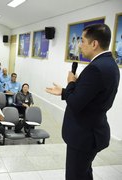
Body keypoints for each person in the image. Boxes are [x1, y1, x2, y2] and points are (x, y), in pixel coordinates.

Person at [46, 24, 120, 180]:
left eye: (83, 41)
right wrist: (66, 91)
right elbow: (91, 97)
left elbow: (75, 103)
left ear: (94, 44)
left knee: (75, 176)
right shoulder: (111, 64)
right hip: (94, 130)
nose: (80, 45)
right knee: (84, 173)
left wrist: (71, 83)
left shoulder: (95, 68)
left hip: (83, 135)